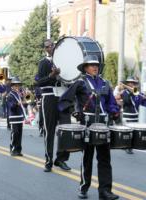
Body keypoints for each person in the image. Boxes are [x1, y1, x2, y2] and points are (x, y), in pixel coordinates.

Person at [59, 55, 120, 200]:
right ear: (85, 67)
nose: (95, 67)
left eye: (96, 65)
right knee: (87, 157)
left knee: (105, 159)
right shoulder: (80, 83)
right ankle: (84, 186)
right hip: (87, 124)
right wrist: (74, 111)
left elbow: (111, 103)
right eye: (91, 65)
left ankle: (105, 191)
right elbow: (64, 100)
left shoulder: (105, 83)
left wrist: (115, 112)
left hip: (104, 125)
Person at [36, 39, 71, 172]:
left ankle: (61, 159)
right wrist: (52, 75)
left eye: (52, 45)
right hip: (49, 98)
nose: (50, 48)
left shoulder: (64, 61)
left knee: (66, 129)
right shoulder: (44, 63)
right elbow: (40, 82)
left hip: (63, 97)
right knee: (49, 130)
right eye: (47, 46)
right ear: (45, 49)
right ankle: (49, 160)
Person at [119, 76, 146, 154]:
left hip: (135, 116)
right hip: (127, 115)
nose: (132, 84)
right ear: (127, 83)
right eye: (130, 83)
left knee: (133, 132)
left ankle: (130, 146)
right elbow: (124, 101)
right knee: (127, 132)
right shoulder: (124, 92)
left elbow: (144, 103)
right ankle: (127, 146)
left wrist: (145, 99)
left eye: (133, 83)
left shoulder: (137, 92)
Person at [6, 76, 25, 156]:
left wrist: (24, 102)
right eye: (15, 85)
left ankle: (18, 150)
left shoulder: (18, 95)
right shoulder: (10, 95)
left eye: (18, 85)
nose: (17, 87)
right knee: (15, 133)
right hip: (13, 117)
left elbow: (22, 105)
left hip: (19, 116)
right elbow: (11, 106)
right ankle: (13, 149)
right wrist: (17, 104)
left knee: (20, 133)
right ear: (12, 86)